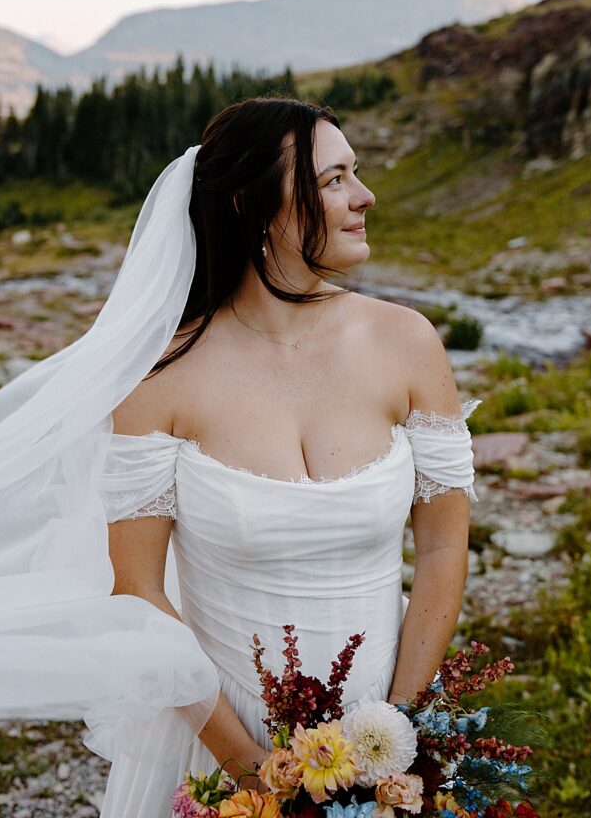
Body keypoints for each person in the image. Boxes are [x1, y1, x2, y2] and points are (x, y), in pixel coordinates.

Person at [97, 97, 480, 815]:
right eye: (334, 180)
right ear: (251, 206)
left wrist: (393, 736)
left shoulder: (406, 343)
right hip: (215, 733)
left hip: (387, 718)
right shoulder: (160, 378)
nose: (364, 197)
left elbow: (439, 547)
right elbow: (138, 592)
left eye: (353, 174)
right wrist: (252, 771)